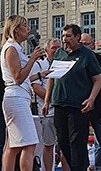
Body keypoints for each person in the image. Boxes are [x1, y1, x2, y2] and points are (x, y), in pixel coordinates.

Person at [43, 24, 101, 170]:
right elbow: (51, 77)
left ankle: (79, 168)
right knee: (62, 142)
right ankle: (77, 166)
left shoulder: (87, 54)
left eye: (68, 36)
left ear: (77, 37)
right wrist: (47, 101)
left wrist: (91, 99)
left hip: (78, 105)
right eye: (63, 36)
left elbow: (98, 79)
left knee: (77, 143)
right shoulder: (59, 53)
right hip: (59, 103)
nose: (65, 39)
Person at [0, 15, 45, 171]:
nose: (28, 29)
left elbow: (22, 78)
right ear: (16, 29)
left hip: (18, 95)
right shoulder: (11, 48)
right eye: (25, 26)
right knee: (29, 143)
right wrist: (33, 59)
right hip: (16, 96)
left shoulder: (14, 47)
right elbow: (18, 77)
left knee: (13, 146)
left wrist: (40, 75)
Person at [80, 33, 101, 170]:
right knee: (80, 143)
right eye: (81, 43)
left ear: (93, 45)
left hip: (99, 108)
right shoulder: (76, 60)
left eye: (86, 44)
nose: (84, 46)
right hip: (80, 108)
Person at [31, 38, 61, 171]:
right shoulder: (39, 65)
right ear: (47, 49)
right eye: (54, 47)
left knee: (64, 145)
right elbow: (36, 88)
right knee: (48, 144)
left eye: (59, 47)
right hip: (47, 111)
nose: (57, 50)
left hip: (62, 110)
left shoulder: (63, 63)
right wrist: (53, 100)